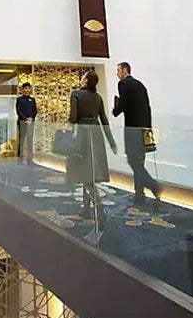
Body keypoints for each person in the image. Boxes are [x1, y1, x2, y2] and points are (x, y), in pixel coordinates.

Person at [68, 71, 117, 224]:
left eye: (83, 77)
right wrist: (112, 142)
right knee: (89, 173)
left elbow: (73, 118)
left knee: (85, 174)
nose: (81, 79)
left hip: (82, 136)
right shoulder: (98, 97)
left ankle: (99, 208)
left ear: (86, 80)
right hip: (96, 136)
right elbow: (104, 120)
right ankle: (86, 209)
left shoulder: (76, 94)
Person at [112, 62, 162, 207]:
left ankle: (153, 185)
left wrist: (115, 110)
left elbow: (124, 104)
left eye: (118, 71)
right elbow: (147, 108)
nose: (117, 74)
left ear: (124, 70)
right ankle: (139, 194)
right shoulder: (140, 85)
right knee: (139, 161)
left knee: (133, 161)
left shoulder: (123, 84)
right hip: (144, 129)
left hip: (132, 129)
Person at [15, 82, 38, 161]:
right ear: (23, 89)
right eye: (25, 88)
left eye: (28, 88)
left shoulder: (33, 100)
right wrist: (25, 119)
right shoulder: (19, 99)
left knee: (30, 139)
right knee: (22, 139)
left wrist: (31, 118)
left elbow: (35, 111)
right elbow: (18, 111)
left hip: (31, 122)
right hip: (22, 122)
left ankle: (30, 157)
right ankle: (20, 157)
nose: (27, 90)